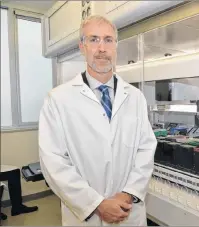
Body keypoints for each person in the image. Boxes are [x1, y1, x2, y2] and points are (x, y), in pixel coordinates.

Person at [38, 15, 157, 226]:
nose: (102, 48)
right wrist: (96, 204)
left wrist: (128, 194)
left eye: (108, 40)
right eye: (93, 39)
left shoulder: (135, 97)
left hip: (127, 211)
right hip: (85, 216)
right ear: (82, 46)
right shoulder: (57, 99)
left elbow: (145, 149)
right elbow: (53, 161)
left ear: (115, 46)